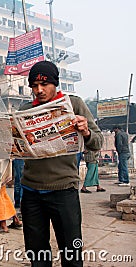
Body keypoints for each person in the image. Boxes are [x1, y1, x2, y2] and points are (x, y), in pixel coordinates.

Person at [19, 61, 103, 266]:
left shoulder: (73, 104)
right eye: (34, 86)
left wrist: (86, 131)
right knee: (36, 252)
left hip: (63, 189)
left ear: (55, 84)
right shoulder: (25, 109)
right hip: (31, 190)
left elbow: (97, 142)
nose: (39, 90)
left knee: (71, 252)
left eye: (44, 85)